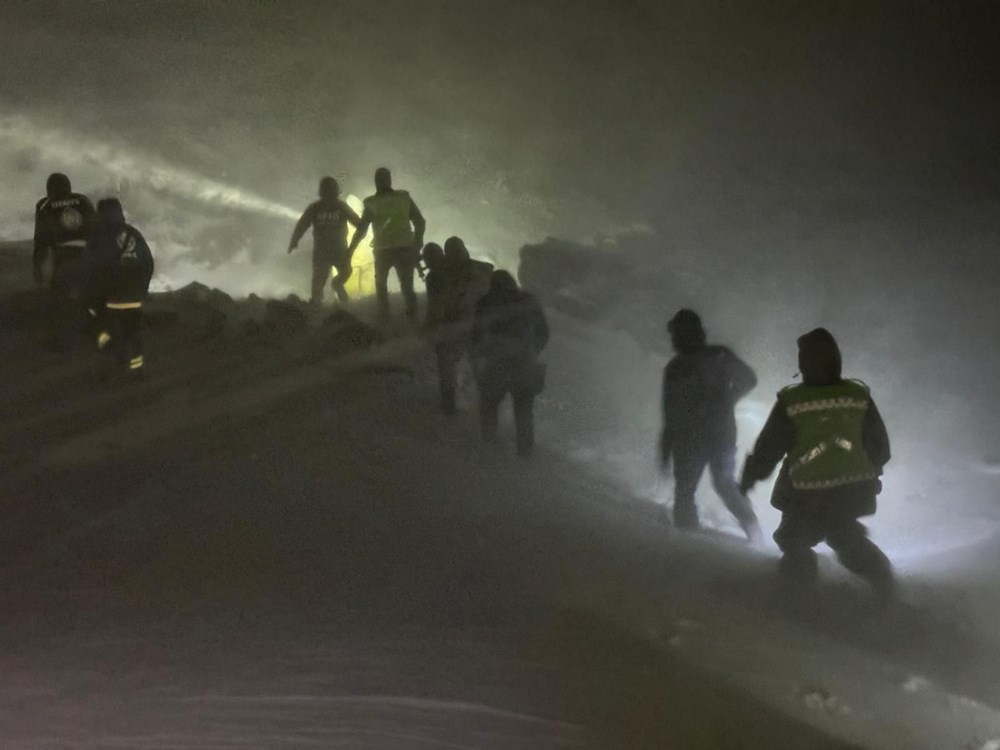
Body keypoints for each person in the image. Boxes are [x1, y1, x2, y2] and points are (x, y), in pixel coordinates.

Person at [739, 328, 894, 597]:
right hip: (852, 490)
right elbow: (879, 445)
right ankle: (883, 582)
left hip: (804, 491)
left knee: (794, 539)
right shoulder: (857, 396)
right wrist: (874, 472)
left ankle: (798, 593)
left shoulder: (793, 401)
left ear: (803, 363)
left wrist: (750, 476)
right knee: (846, 537)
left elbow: (770, 446)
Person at [659, 309, 761, 542]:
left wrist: (666, 448)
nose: (674, 339)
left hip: (694, 437)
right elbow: (749, 379)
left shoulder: (678, 367)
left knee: (687, 490)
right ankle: (752, 531)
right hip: (717, 434)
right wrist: (728, 399)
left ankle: (688, 540)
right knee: (722, 484)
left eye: (677, 333)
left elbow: (670, 414)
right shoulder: (717, 356)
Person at [471, 270, 549, 457]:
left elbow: (476, 333)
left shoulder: (486, 302)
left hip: (497, 362)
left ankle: (490, 444)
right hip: (524, 362)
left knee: (489, 403)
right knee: (523, 409)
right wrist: (532, 351)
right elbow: (544, 333)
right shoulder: (528, 300)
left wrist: (480, 354)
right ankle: (525, 452)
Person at [84, 198, 154, 379]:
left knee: (100, 329)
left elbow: (92, 269)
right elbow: (148, 263)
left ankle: (114, 357)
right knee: (133, 334)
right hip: (135, 298)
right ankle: (137, 368)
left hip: (112, 298)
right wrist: (142, 290)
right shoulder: (134, 234)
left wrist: (93, 299)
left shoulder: (99, 235)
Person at [347, 167, 426, 322]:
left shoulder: (372, 202)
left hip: (384, 250)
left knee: (382, 286)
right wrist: (417, 243)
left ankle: (386, 318)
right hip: (402, 248)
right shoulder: (402, 197)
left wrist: (350, 251)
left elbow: (362, 230)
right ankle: (412, 320)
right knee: (406, 287)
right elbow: (419, 222)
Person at [33, 173, 96, 348]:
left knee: (59, 297)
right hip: (89, 254)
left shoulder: (44, 205)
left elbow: (41, 239)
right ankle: (97, 330)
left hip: (64, 256)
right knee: (91, 294)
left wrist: (37, 266)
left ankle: (57, 340)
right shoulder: (83, 200)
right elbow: (96, 226)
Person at [288, 176, 361, 305]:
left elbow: (302, 225)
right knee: (320, 281)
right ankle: (324, 301)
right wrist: (294, 241)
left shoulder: (326, 207)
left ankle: (328, 296)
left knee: (329, 277)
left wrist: (294, 241)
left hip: (332, 250)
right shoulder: (333, 207)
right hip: (330, 251)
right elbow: (302, 224)